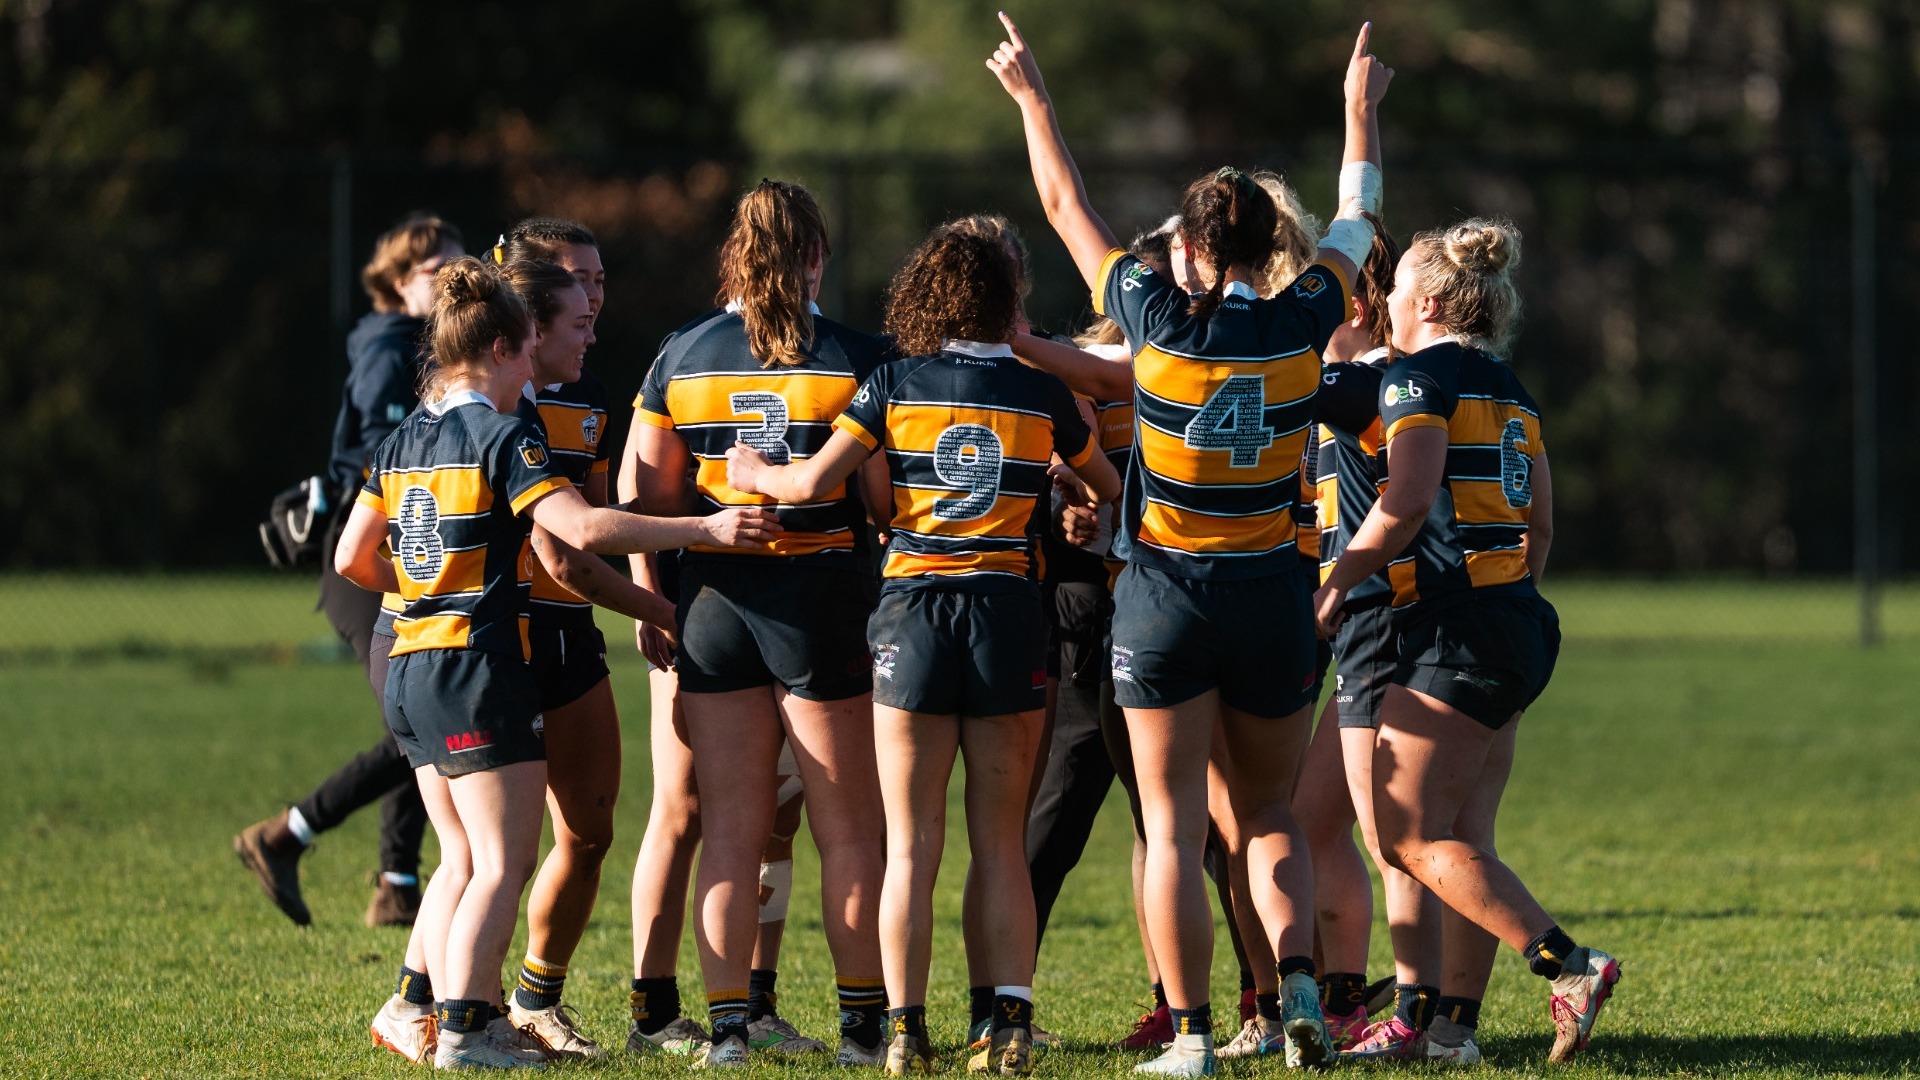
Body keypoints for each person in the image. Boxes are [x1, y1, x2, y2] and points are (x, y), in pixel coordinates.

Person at [989, 12, 1391, 1073]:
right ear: (1272, 245)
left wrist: (1033, 97)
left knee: (1170, 830)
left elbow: (1066, 206)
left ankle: (1199, 1036)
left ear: (1197, 245)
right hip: (1270, 597)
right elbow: (1359, 210)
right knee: (1266, 815)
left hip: (1165, 597)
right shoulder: (1309, 314)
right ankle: (1297, 981)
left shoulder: (1149, 318)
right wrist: (1359, 110)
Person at [342, 256, 780, 1069]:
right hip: (473, 667)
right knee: (502, 864)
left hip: (404, 659)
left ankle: (436, 1015)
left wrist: (431, 592)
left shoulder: (405, 437)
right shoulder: (503, 434)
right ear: (510, 347)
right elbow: (578, 532)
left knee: (467, 859)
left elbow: (351, 557)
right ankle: (471, 1031)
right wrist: (702, 532)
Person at [727, 220, 1122, 1077]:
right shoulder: (1040, 393)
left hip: (912, 616)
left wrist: (754, 472)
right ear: (1008, 303)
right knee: (1001, 841)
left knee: (910, 844)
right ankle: (1008, 1024)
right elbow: (1106, 486)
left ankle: (905, 1031)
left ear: (927, 294)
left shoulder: (891, 382)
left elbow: (811, 485)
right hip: (1009, 615)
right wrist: (1066, 495)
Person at [1313, 219, 1621, 1065]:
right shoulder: (1512, 387)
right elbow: (1542, 524)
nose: (1385, 305)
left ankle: (1571, 964)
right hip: (1516, 620)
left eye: (1398, 288)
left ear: (1431, 300)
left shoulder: (1418, 379)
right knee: (1465, 840)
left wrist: (1338, 578)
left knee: (1406, 835)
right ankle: (1452, 1032)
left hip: (1457, 631)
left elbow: (1407, 500)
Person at [629, 179, 891, 1068]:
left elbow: (651, 501)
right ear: (817, 256)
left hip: (711, 604)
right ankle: (863, 1030)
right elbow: (884, 499)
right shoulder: (858, 355)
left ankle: (730, 1029)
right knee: (848, 827)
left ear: (734, 258)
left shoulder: (681, 355)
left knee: (731, 830)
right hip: (819, 595)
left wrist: (654, 601)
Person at [234, 214, 462, 929]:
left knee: (419, 711)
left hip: (401, 548)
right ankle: (284, 835)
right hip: (363, 556)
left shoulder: (417, 344)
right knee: (419, 714)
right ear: (399, 283)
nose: (451, 284)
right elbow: (383, 452)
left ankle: (396, 882)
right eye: (437, 273)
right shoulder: (392, 348)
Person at [488, 253, 671, 1059]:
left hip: (573, 635)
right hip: (503, 641)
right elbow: (568, 549)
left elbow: (598, 520)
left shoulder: (591, 398)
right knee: (495, 853)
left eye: (601, 280)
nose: (597, 301)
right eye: (579, 290)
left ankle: (535, 999)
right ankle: (447, 1002)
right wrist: (668, 601)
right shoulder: (496, 412)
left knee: (589, 830)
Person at [1283, 220, 1456, 1058]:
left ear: (1351, 300)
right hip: (1360, 621)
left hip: (1377, 623)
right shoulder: (1358, 382)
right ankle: (1362, 1000)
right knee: (1314, 820)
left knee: (1396, 839)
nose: (1291, 309)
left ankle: (1421, 1019)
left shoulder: (1368, 384)